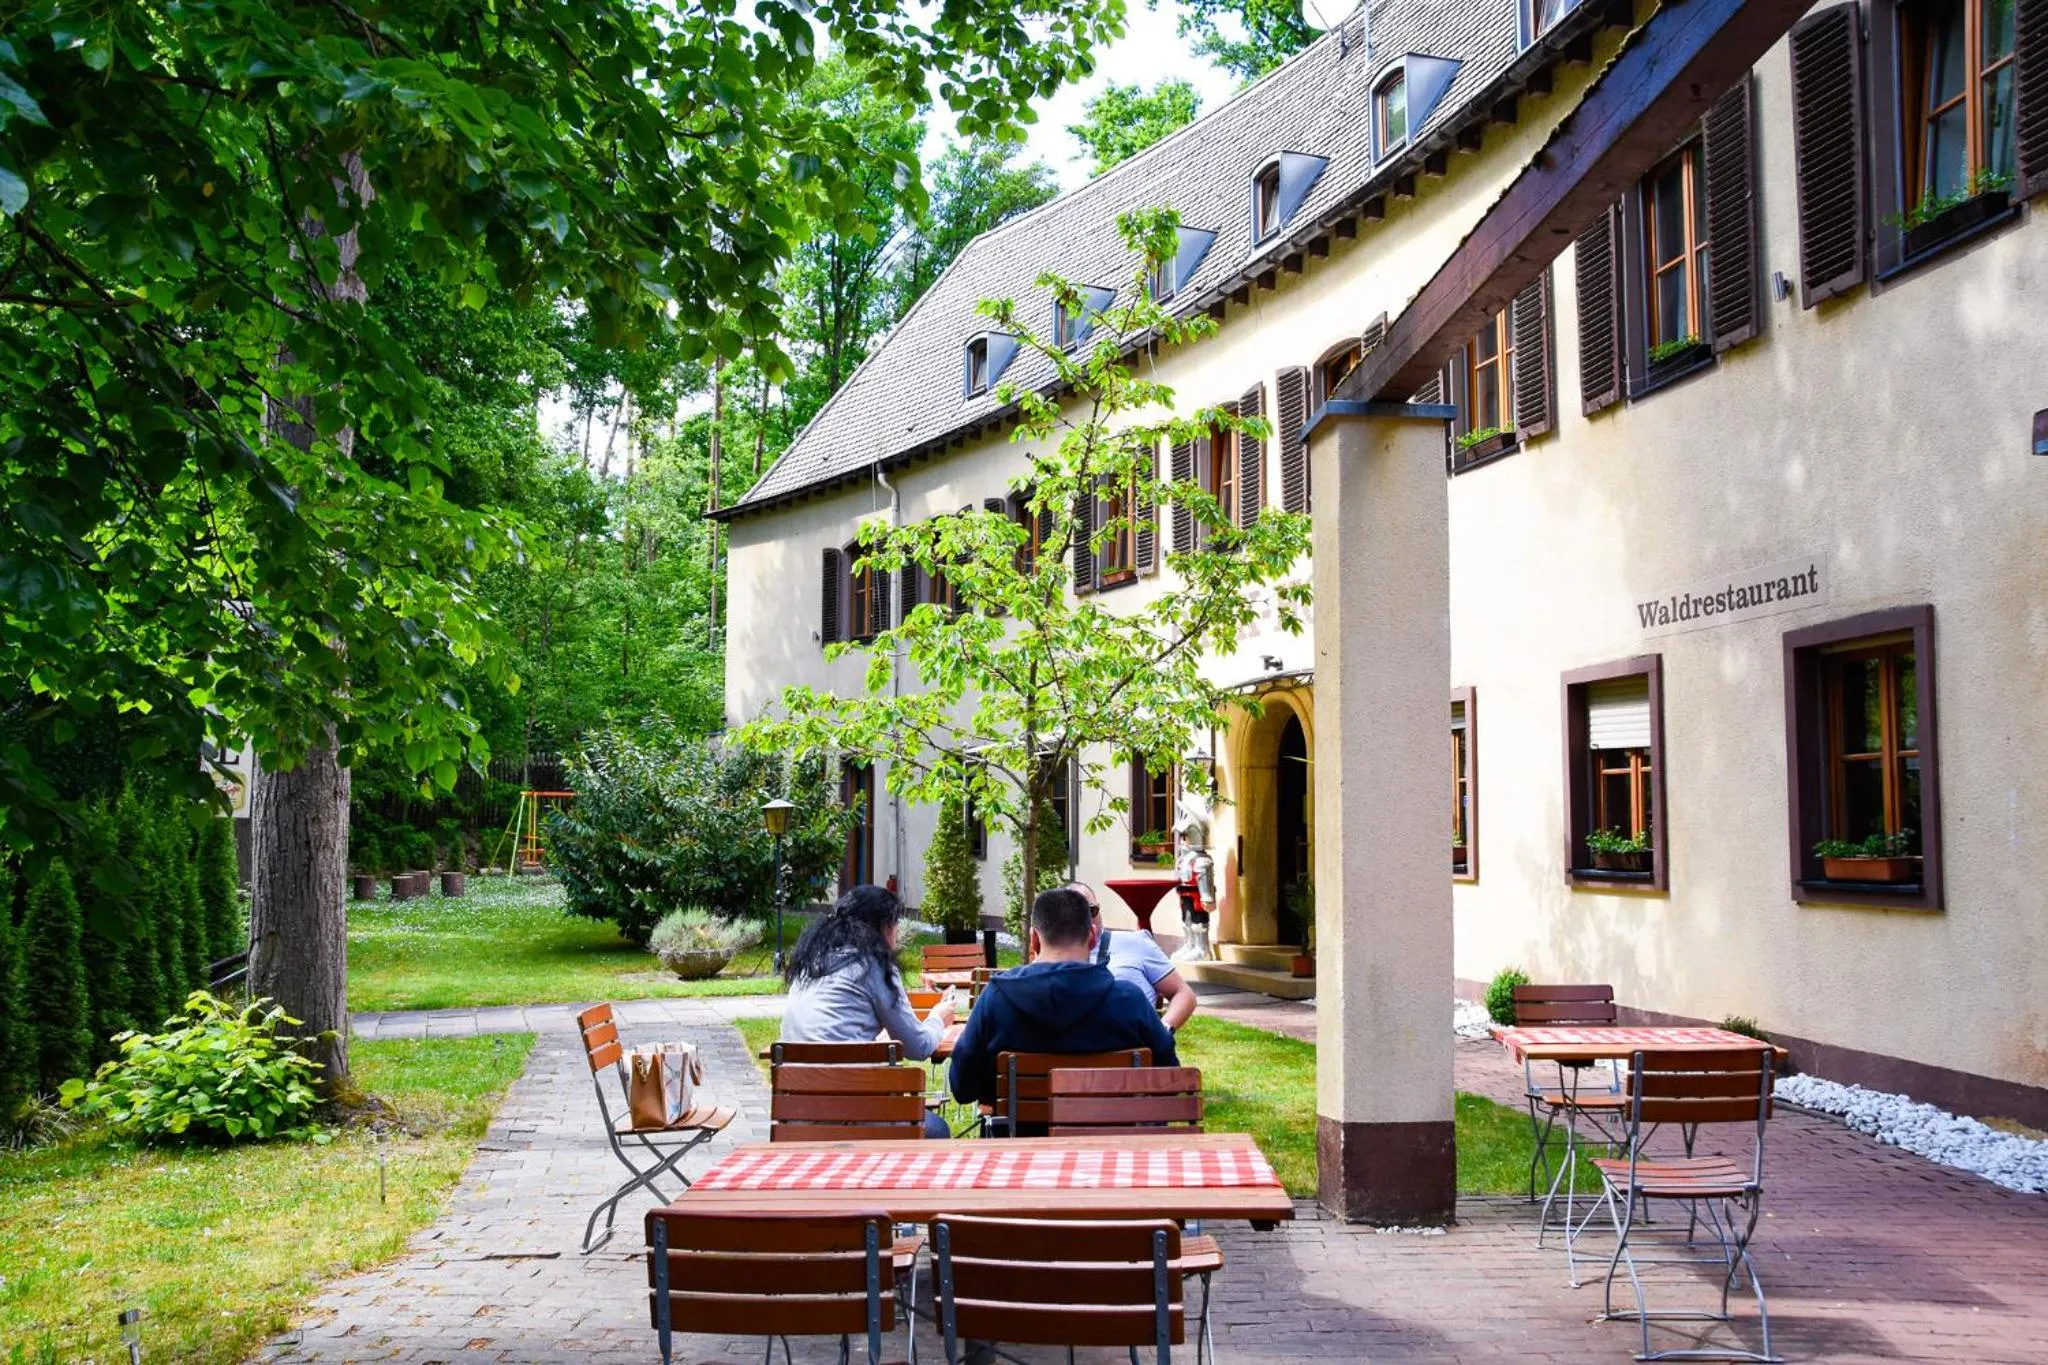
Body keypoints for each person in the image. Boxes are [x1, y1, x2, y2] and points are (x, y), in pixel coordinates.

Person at [948, 885, 1178, 1115]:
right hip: (1110, 1133)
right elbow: (1170, 1080)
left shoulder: (996, 998)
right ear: (1092, 937)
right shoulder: (1129, 1000)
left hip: (1019, 1135)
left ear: (1034, 940)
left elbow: (962, 1088)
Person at [780, 884, 955, 1138]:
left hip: (799, 1115)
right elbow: (918, 1046)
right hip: (855, 1114)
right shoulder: (873, 965)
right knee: (937, 1130)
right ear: (885, 927)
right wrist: (938, 1018)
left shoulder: (810, 963)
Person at [1071, 881, 1199, 1032]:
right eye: (1075, 912)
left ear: (1099, 910)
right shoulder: (1054, 953)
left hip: (1135, 1041)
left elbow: (1183, 994)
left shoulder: (1136, 943)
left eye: (1091, 910)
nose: (1084, 919)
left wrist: (1162, 1031)